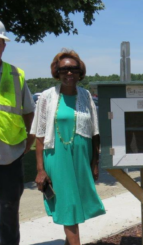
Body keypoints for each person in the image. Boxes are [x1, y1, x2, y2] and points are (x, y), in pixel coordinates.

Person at [31, 49, 105, 245]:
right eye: (64, 69)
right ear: (57, 72)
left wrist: (95, 162)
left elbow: (94, 132)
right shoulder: (47, 97)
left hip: (81, 158)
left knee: (76, 202)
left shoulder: (86, 96)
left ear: (80, 72)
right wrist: (40, 169)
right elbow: (39, 136)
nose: (69, 73)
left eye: (73, 69)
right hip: (57, 157)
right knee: (68, 204)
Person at [0, 21, 35, 245]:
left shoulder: (15, 75)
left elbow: (29, 114)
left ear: (3, 45)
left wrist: (26, 145)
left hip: (9, 157)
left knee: (8, 212)